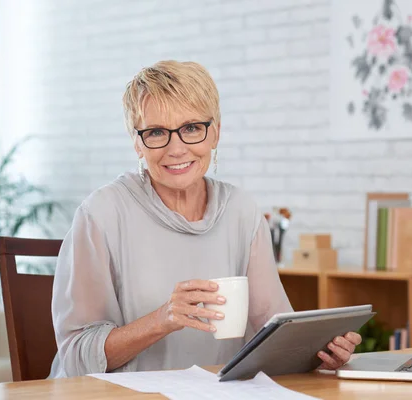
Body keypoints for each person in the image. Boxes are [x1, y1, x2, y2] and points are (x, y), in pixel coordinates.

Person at [48, 60, 361, 378]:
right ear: (137, 142)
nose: (176, 148)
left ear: (216, 133)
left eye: (191, 128)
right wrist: (162, 320)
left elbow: (274, 329)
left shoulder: (242, 212)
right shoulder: (100, 214)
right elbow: (76, 355)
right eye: (156, 132)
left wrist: (319, 353)